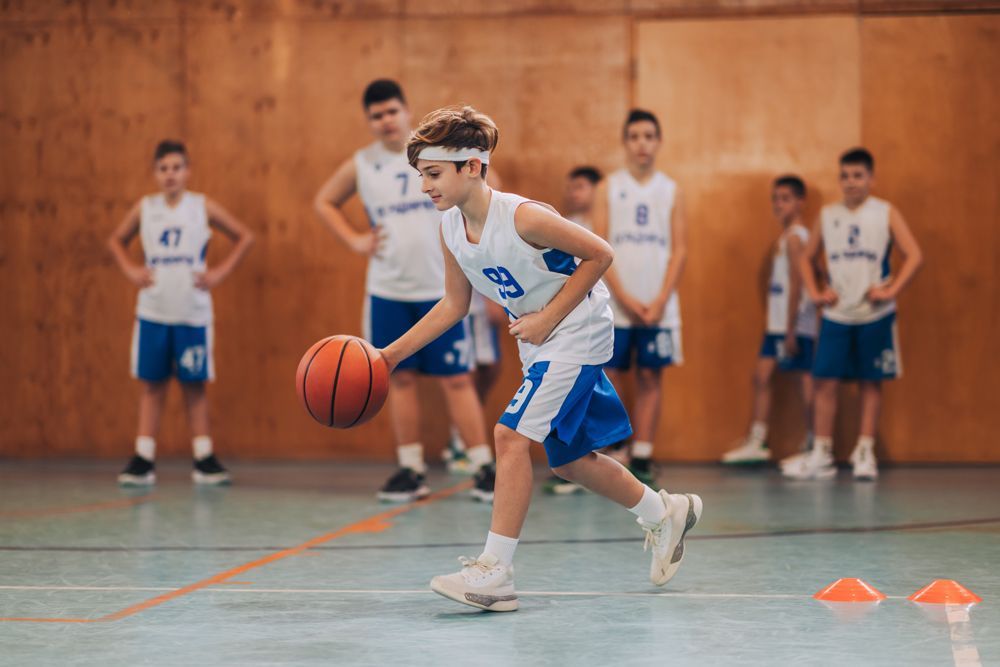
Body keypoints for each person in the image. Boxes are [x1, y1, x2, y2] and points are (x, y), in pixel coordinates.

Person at [379, 105, 703, 612]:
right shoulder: (449, 227)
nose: (425, 187)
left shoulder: (524, 216)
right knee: (570, 461)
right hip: (540, 340)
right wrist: (387, 357)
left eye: (434, 174)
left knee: (509, 437)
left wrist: (549, 317)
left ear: (472, 167)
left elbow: (600, 254)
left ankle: (495, 572)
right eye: (421, 175)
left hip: (577, 331)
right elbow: (453, 306)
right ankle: (663, 512)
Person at [313, 79, 495, 501]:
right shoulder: (362, 163)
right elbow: (324, 201)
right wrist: (355, 240)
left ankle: (483, 465)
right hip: (388, 288)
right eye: (376, 115)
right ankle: (411, 468)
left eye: (391, 111)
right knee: (400, 377)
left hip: (441, 288)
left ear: (407, 110)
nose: (385, 120)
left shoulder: (436, 154)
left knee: (457, 379)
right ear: (369, 121)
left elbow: (486, 187)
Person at [109, 140, 254, 486]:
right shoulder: (145, 208)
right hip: (154, 310)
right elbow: (116, 240)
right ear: (155, 173)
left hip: (192, 312)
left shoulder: (201, 206)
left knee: (194, 384)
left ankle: (203, 457)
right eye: (163, 168)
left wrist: (219, 273)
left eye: (176, 167)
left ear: (187, 171)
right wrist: (131, 270)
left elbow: (243, 236)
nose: (170, 174)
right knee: (152, 384)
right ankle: (143, 457)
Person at [784, 148, 922, 480]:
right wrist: (817, 293)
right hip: (837, 315)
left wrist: (891, 291)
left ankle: (864, 451)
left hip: (875, 314)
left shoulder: (885, 212)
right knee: (825, 382)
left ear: (871, 179)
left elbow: (915, 255)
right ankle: (821, 453)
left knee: (871, 383)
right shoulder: (828, 215)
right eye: (845, 176)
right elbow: (806, 257)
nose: (851, 182)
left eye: (858, 175)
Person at [592, 110, 687, 485]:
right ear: (625, 142)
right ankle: (613, 451)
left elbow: (679, 250)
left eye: (649, 136)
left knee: (651, 376)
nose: (642, 143)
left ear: (659, 141)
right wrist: (626, 298)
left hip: (659, 304)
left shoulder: (671, 190)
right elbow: (598, 246)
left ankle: (643, 454)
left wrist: (661, 298)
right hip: (617, 303)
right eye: (634, 136)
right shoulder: (608, 188)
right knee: (609, 375)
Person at [722, 175, 817, 465]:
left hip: (793, 326)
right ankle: (758, 440)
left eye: (785, 198)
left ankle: (814, 443)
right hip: (777, 326)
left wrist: (790, 328)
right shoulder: (786, 237)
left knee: (806, 381)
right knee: (762, 377)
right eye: (775, 198)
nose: (778, 204)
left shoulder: (797, 238)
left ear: (800, 202)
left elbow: (798, 286)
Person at [543, 165, 603, 495]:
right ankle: (576, 463)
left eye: (581, 186)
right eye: (571, 186)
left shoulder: (598, 228)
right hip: (565, 323)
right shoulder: (561, 224)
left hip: (592, 320)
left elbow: (601, 258)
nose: (574, 192)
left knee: (508, 436)